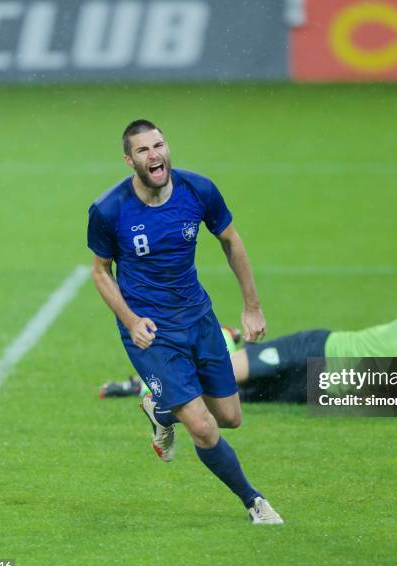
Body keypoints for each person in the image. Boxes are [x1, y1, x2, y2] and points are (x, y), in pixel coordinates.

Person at [87, 119, 283, 524]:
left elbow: (231, 240)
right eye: (142, 150)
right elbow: (100, 272)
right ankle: (254, 502)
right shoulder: (109, 209)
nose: (153, 154)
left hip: (198, 318)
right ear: (129, 160)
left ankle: (161, 411)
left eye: (158, 145)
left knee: (230, 418)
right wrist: (130, 319)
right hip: (151, 333)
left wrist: (251, 306)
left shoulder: (199, 190)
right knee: (204, 428)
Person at [101, 296, 397, 414]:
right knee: (230, 371)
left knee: (233, 398)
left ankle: (157, 397)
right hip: (315, 351)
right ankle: (139, 383)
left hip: (317, 385)